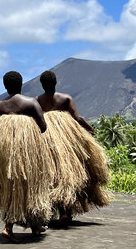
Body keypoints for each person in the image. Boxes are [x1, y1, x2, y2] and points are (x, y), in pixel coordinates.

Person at [36, 70, 109, 222]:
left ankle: (60, 211)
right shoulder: (65, 98)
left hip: (46, 139)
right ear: (56, 83)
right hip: (66, 140)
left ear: (42, 85)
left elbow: (35, 119)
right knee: (68, 172)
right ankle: (65, 211)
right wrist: (89, 129)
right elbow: (77, 117)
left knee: (53, 174)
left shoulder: (37, 101)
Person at [0, 71, 53, 242]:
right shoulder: (30, 102)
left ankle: (29, 226)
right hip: (27, 155)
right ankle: (16, 227)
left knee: (12, 187)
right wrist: (26, 133)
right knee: (30, 186)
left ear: (5, 86)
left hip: (5, 155)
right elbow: (43, 126)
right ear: (21, 84)